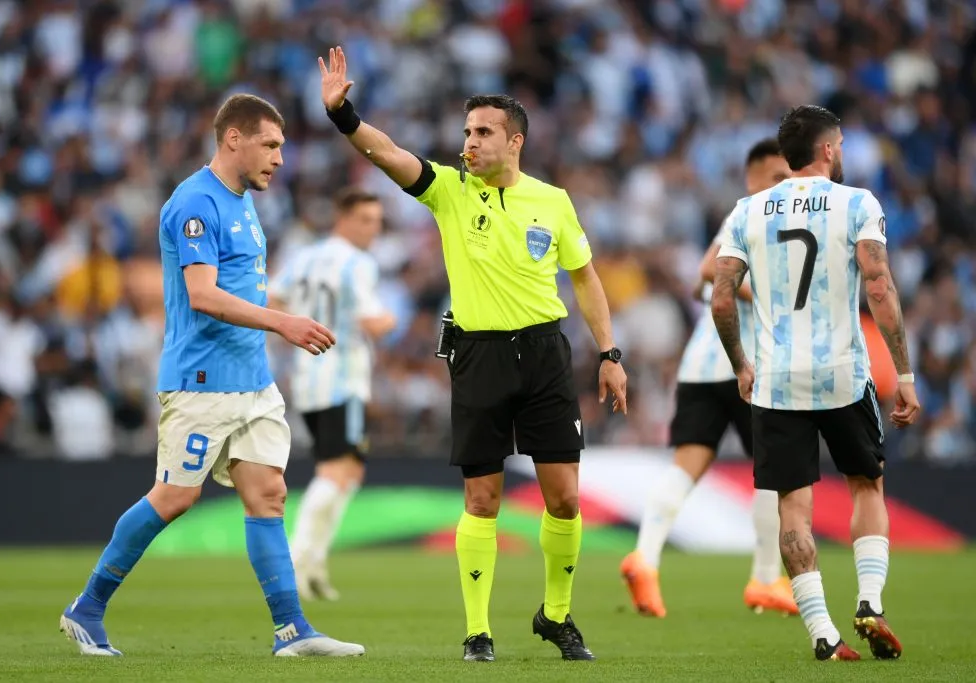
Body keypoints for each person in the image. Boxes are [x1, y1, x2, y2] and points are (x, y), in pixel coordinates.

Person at [319, 46, 628, 662]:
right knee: (482, 499)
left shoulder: (554, 201)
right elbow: (389, 155)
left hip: (544, 353)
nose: (470, 142)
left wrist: (610, 352)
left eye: (483, 132)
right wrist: (343, 115)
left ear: (514, 141)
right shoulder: (450, 191)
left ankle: (556, 615)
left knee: (564, 497)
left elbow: (586, 279)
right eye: (467, 131)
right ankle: (478, 632)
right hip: (479, 355)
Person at [58, 93, 364, 658]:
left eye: (281, 148)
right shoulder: (194, 203)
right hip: (202, 379)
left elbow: (242, 288)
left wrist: (285, 320)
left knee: (268, 494)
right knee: (175, 496)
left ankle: (292, 629)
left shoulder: (243, 201)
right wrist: (283, 323)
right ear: (234, 139)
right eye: (270, 145)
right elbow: (202, 295)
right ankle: (87, 608)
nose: (279, 158)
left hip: (253, 380)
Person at [712, 105, 921, 662]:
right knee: (865, 485)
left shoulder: (748, 210)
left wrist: (740, 363)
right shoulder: (857, 204)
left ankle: (823, 636)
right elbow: (878, 286)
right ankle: (870, 603)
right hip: (844, 376)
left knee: (793, 508)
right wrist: (903, 374)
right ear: (828, 150)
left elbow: (721, 296)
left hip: (777, 380)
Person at [621, 139, 797, 618]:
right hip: (747, 365)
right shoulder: (755, 213)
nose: (786, 186)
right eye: (777, 178)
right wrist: (765, 299)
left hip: (701, 365)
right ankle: (764, 578)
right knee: (773, 471)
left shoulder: (754, 216)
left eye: (790, 177)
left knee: (687, 466)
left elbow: (703, 280)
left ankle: (646, 555)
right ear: (753, 180)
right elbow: (706, 270)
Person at [269, 188, 396, 601]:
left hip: (307, 376)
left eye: (377, 222)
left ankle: (315, 564)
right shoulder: (358, 263)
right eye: (365, 220)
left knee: (348, 472)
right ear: (342, 219)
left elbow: (272, 298)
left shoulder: (304, 257)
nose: (373, 230)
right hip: (341, 379)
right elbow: (372, 322)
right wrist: (391, 318)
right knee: (335, 473)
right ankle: (296, 561)